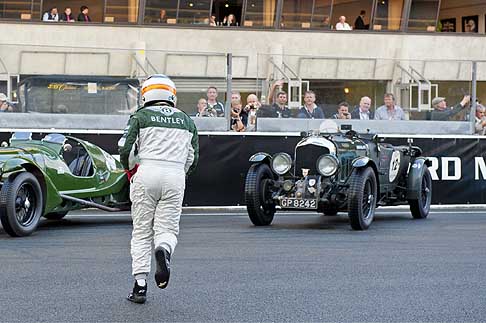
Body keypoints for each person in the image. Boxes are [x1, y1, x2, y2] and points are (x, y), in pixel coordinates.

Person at [119, 74, 199, 304]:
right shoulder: (186, 120)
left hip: (147, 173)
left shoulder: (140, 116)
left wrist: (130, 169)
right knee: (168, 230)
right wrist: (179, 174)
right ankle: (163, 249)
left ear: (146, 94)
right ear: (171, 95)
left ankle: (140, 286)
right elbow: (193, 158)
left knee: (142, 232)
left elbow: (125, 149)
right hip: (174, 175)